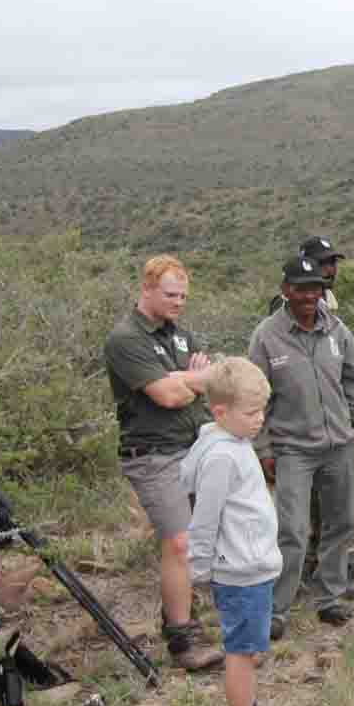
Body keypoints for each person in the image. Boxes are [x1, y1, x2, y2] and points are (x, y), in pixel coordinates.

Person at [180, 357, 301, 706]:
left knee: (248, 652)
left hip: (252, 567)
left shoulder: (234, 442)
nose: (259, 420)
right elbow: (204, 521)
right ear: (220, 412)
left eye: (262, 411)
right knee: (241, 653)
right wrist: (199, 571)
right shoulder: (221, 457)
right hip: (240, 572)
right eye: (251, 413)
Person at [102, 254, 220, 671]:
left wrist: (186, 382)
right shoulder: (125, 338)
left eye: (184, 296)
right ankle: (182, 641)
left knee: (197, 541)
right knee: (179, 541)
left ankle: (182, 616)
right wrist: (193, 381)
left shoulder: (180, 334)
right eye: (170, 294)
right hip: (153, 453)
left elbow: (196, 387)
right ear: (147, 289)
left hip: (193, 445)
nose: (178, 302)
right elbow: (168, 396)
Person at [247, 253, 354, 642]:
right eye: (300, 289)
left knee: (340, 524)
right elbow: (255, 397)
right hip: (292, 449)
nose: (308, 296)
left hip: (338, 445)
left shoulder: (338, 331)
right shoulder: (266, 336)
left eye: (315, 288)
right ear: (286, 290)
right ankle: (277, 610)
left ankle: (330, 597)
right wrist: (263, 448)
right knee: (292, 531)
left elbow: (352, 385)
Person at [267, 235, 346, 316]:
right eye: (321, 263)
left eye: (332, 262)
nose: (329, 269)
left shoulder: (327, 297)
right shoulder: (287, 302)